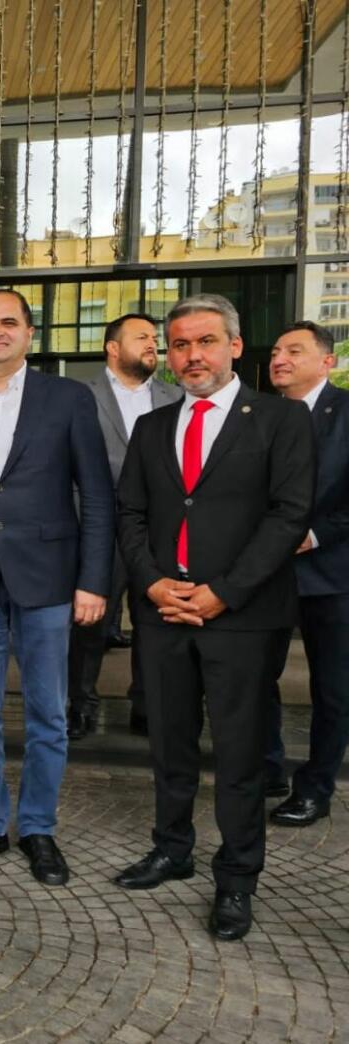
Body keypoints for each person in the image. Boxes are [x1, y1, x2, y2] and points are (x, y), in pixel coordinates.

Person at [114, 294, 313, 942]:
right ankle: (172, 849)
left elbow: (289, 515)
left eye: (205, 341)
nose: (192, 355)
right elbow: (130, 513)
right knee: (169, 743)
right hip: (163, 612)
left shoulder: (281, 420)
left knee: (239, 753)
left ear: (234, 346)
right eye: (179, 345)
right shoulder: (152, 428)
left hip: (242, 617)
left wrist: (223, 591)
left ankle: (237, 878)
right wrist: (151, 584)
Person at [0, 289, 112, 887]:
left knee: (47, 714)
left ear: (29, 333)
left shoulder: (68, 399)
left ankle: (37, 827)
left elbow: (97, 496)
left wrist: (93, 580)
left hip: (50, 579)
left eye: (8, 322)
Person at [67, 314, 181, 740]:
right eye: (141, 337)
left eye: (154, 338)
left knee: (154, 621)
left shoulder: (175, 396)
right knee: (90, 622)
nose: (153, 344)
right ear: (113, 348)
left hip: (158, 528)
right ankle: (81, 704)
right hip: (99, 525)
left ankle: (146, 706)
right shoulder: (80, 395)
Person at [267, 321, 349, 826]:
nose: (280, 358)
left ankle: (316, 787)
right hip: (265, 572)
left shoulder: (345, 413)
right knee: (256, 677)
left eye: (294, 351)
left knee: (333, 690)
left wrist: (315, 535)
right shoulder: (258, 414)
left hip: (333, 573)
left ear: (327, 362)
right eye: (277, 350)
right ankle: (267, 768)